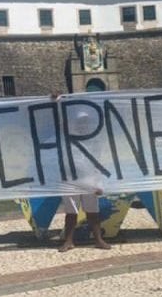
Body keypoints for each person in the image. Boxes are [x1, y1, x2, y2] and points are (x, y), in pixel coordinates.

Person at [52, 94, 111, 252]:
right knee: (71, 213)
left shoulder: (95, 139)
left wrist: (98, 184)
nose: (83, 124)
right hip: (70, 178)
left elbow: (98, 162)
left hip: (89, 178)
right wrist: (58, 102)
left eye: (86, 121)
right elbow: (60, 120)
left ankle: (98, 239)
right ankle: (69, 241)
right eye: (80, 121)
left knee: (93, 212)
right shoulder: (67, 135)